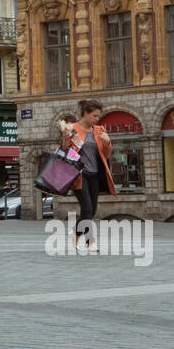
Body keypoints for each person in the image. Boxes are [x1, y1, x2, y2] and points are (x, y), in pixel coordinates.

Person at [59, 99, 118, 252]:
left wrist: (108, 142)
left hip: (95, 174)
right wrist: (66, 138)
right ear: (85, 114)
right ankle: (90, 242)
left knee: (92, 210)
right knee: (87, 208)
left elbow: (106, 155)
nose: (96, 119)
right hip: (79, 174)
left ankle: (76, 234)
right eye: (94, 116)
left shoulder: (99, 130)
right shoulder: (72, 128)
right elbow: (65, 151)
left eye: (98, 116)